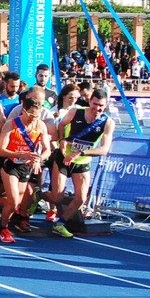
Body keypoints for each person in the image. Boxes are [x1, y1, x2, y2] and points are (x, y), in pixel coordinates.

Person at [46, 89, 115, 238]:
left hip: (82, 162)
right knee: (57, 197)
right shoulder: (76, 112)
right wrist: (62, 140)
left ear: (106, 105)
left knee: (81, 199)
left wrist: (82, 153)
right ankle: (37, 195)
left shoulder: (108, 122)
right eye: (95, 104)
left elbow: (104, 149)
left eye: (101, 106)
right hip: (64, 158)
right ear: (89, 101)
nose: (97, 108)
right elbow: (62, 125)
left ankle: (60, 223)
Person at [0, 92, 51, 244]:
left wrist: (39, 159)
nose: (33, 119)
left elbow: (47, 149)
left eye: (37, 116)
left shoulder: (40, 126)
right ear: (24, 111)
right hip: (10, 164)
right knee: (14, 202)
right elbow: (1, 150)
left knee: (16, 202)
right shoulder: (11, 124)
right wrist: (20, 153)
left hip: (26, 167)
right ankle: (3, 228)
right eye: (31, 115)